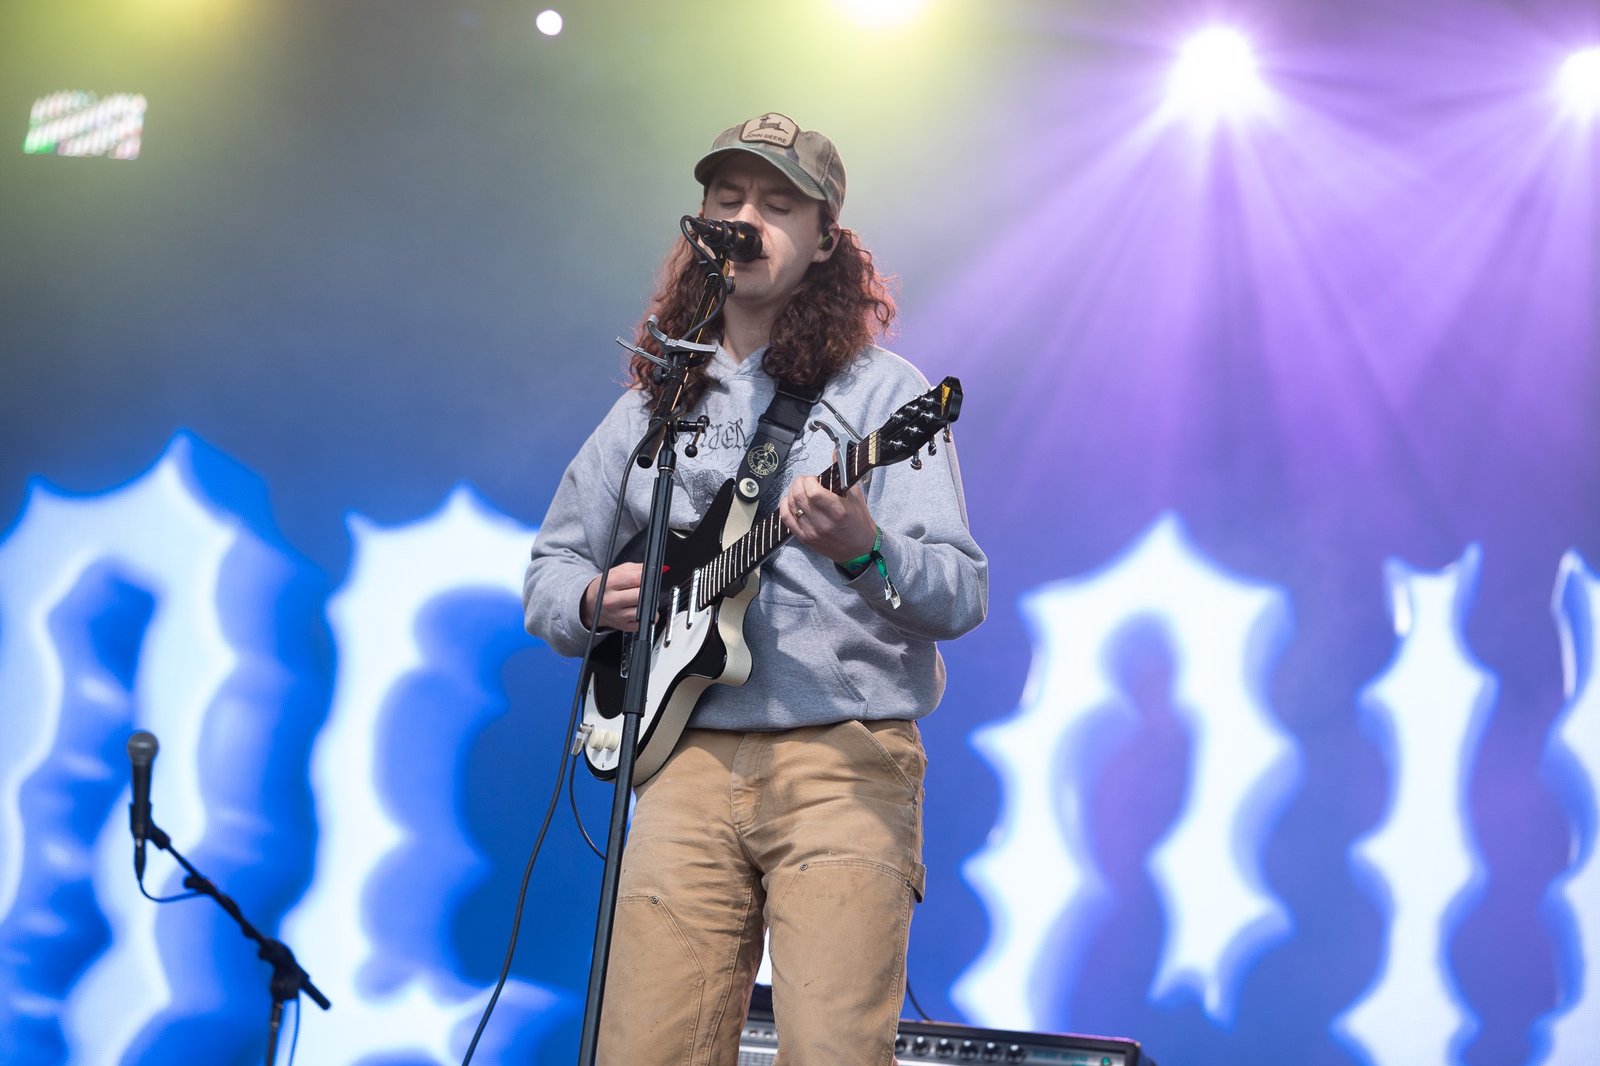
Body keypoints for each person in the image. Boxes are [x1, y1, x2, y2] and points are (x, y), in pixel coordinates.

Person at [522, 112, 988, 1065]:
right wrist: (592, 602)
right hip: (682, 764)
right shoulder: (655, 403)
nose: (748, 218)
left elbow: (959, 594)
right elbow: (550, 571)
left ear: (825, 241)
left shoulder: (884, 396)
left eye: (779, 204)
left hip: (843, 760)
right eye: (728, 198)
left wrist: (863, 548)